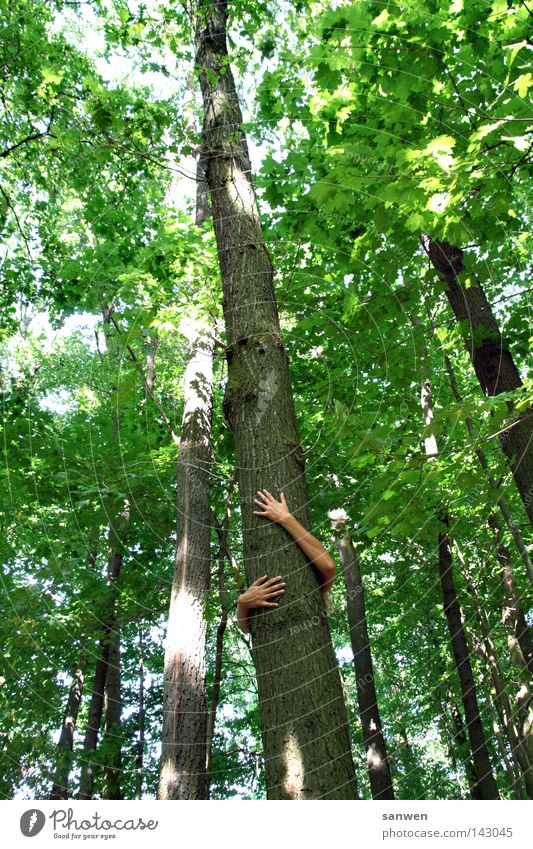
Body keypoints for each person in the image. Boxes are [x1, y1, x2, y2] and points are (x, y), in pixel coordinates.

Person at [236, 489, 336, 634]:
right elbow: (245, 628)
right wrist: (243, 604)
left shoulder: (318, 589)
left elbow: (328, 566)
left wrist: (286, 519)